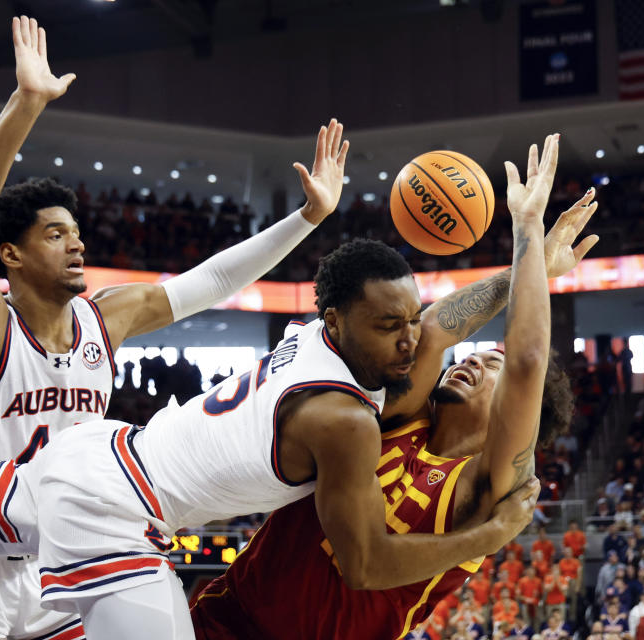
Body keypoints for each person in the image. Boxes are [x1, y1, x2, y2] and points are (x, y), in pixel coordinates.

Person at [0, 214, 544, 639]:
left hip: (99, 456)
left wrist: (535, 266)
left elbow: (438, 321)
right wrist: (491, 535)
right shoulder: (344, 420)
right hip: (115, 512)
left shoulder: (320, 338)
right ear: (340, 324)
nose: (413, 341)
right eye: (392, 329)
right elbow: (368, 565)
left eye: (411, 326)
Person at [0, 13, 355, 639]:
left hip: (62, 560)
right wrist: (26, 103)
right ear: (9, 256)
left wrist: (307, 219)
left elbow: (208, 284)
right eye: (53, 234)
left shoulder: (107, 317)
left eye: (76, 233)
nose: (76, 245)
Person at [189, 135, 598, 639]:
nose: (471, 360)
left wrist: (529, 227)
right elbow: (437, 330)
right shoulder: (399, 412)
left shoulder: (490, 488)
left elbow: (529, 361)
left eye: (492, 365)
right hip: (223, 619)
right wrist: (526, 271)